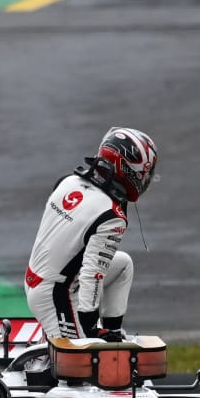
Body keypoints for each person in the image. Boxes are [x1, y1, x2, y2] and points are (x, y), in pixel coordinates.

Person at [25, 127, 159, 342]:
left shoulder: (67, 181)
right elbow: (92, 273)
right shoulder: (111, 215)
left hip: (41, 279)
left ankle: (113, 331)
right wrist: (91, 330)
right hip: (57, 294)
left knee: (123, 264)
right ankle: (55, 356)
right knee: (87, 365)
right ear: (128, 168)